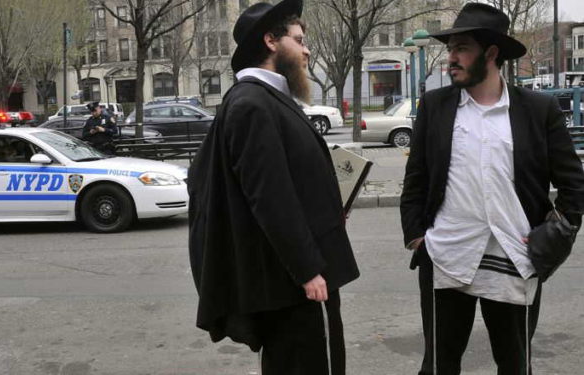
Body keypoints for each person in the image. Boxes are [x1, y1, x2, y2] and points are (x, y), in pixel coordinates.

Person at [400, 3, 584, 374]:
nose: (451, 58)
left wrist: (556, 236)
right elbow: (415, 179)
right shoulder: (436, 106)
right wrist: (417, 236)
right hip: (448, 254)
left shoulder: (537, 110)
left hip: (515, 258)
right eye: (450, 49)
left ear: (492, 53)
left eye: (462, 48)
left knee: (515, 364)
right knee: (438, 364)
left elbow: (574, 184)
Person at [187, 1, 359, 374]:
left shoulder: (267, 100)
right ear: (270, 41)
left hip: (293, 280)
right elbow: (269, 197)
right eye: (299, 40)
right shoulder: (252, 104)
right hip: (292, 285)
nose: (306, 49)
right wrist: (308, 270)